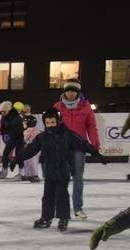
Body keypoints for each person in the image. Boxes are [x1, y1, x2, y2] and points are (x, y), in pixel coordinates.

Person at [12, 107, 107, 232]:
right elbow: (31, 150)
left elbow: (83, 144)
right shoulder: (42, 137)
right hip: (49, 170)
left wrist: (97, 154)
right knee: (47, 196)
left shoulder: (67, 134)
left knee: (62, 195)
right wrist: (17, 158)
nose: (50, 125)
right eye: (48, 123)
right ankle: (46, 218)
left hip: (63, 170)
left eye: (53, 122)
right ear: (45, 123)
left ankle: (63, 218)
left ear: (58, 121)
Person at [53, 79, 101, 220]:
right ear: (64, 91)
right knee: (61, 178)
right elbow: (51, 125)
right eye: (68, 90)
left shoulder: (85, 107)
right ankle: (60, 207)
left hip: (79, 147)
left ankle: (78, 208)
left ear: (78, 92)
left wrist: (95, 144)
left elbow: (92, 127)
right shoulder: (57, 107)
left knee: (78, 178)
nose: (71, 93)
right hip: (61, 147)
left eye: (74, 91)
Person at [0, 100, 24, 179]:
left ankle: (21, 173)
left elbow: (15, 128)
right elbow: (3, 129)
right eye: (1, 111)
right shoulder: (4, 117)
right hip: (12, 137)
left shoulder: (17, 117)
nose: (2, 113)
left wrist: (7, 126)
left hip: (20, 138)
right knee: (5, 153)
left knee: (19, 154)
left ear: (9, 110)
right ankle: (4, 171)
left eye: (4, 111)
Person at [21, 115, 41, 182]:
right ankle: (30, 175)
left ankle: (33, 175)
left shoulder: (28, 130)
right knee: (29, 162)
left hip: (30, 149)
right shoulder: (37, 130)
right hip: (35, 149)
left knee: (30, 162)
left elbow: (24, 139)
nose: (23, 124)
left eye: (24, 123)